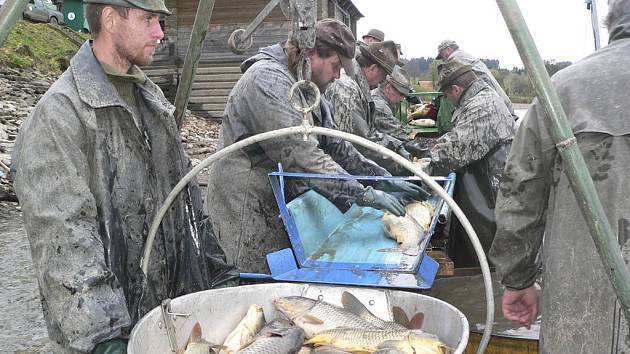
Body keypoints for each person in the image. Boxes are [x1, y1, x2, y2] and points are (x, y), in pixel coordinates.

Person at [10, 0, 237, 352]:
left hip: (169, 325)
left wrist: (218, 274)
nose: (160, 32)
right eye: (148, 20)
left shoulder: (153, 101)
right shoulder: (59, 117)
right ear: (111, 19)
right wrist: (104, 339)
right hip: (110, 337)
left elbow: (187, 206)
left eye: (159, 21)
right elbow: (65, 241)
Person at [206, 19, 428, 274]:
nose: (337, 76)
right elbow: (303, 157)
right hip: (245, 206)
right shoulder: (266, 80)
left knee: (279, 275)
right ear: (311, 54)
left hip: (276, 204)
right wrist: (362, 193)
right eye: (335, 66)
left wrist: (380, 178)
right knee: (248, 282)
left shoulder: (308, 87)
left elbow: (336, 145)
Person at [489, 1, 630, 351]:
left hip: (581, 319)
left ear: (613, 21)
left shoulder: (562, 90)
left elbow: (519, 196)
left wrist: (518, 279)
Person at [427, 59, 515, 267]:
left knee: (486, 258)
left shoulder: (483, 106)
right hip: (483, 194)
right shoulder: (480, 99)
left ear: (456, 89)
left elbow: (452, 152)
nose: (449, 100)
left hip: (490, 201)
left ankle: (488, 289)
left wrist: (416, 170)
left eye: (447, 96)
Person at [325, 40, 411, 173]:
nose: (381, 82)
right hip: (337, 169)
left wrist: (394, 145)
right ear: (373, 69)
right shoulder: (347, 89)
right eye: (383, 77)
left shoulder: (355, 84)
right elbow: (360, 141)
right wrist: (399, 164)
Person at [436, 39, 516, 118]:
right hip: (503, 104)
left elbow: (444, 80)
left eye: (442, 55)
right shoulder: (465, 56)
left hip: (495, 105)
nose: (443, 59)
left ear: (449, 49)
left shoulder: (455, 58)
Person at [371, 65, 411, 141]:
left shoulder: (380, 98)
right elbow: (399, 135)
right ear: (388, 88)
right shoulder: (380, 106)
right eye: (401, 94)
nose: (402, 99)